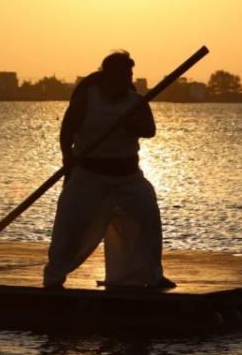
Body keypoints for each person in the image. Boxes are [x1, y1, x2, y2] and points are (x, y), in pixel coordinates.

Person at [43, 51, 174, 289]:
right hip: (89, 175)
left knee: (147, 219)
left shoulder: (136, 102)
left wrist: (130, 124)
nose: (127, 79)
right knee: (71, 226)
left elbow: (149, 130)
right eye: (123, 74)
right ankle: (54, 276)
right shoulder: (87, 98)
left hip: (128, 177)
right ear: (108, 75)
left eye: (129, 75)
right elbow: (67, 129)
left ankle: (153, 274)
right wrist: (67, 159)